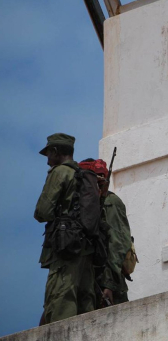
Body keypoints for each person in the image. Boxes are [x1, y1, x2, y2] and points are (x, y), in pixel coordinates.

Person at [34, 133, 96, 324]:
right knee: (86, 300)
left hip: (65, 246)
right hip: (86, 247)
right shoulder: (83, 174)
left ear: (55, 151)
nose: (47, 160)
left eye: (48, 154)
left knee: (60, 298)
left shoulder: (60, 172)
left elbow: (42, 212)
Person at [79, 158, 133, 305]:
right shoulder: (87, 205)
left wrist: (109, 285)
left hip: (108, 283)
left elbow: (118, 244)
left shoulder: (110, 202)